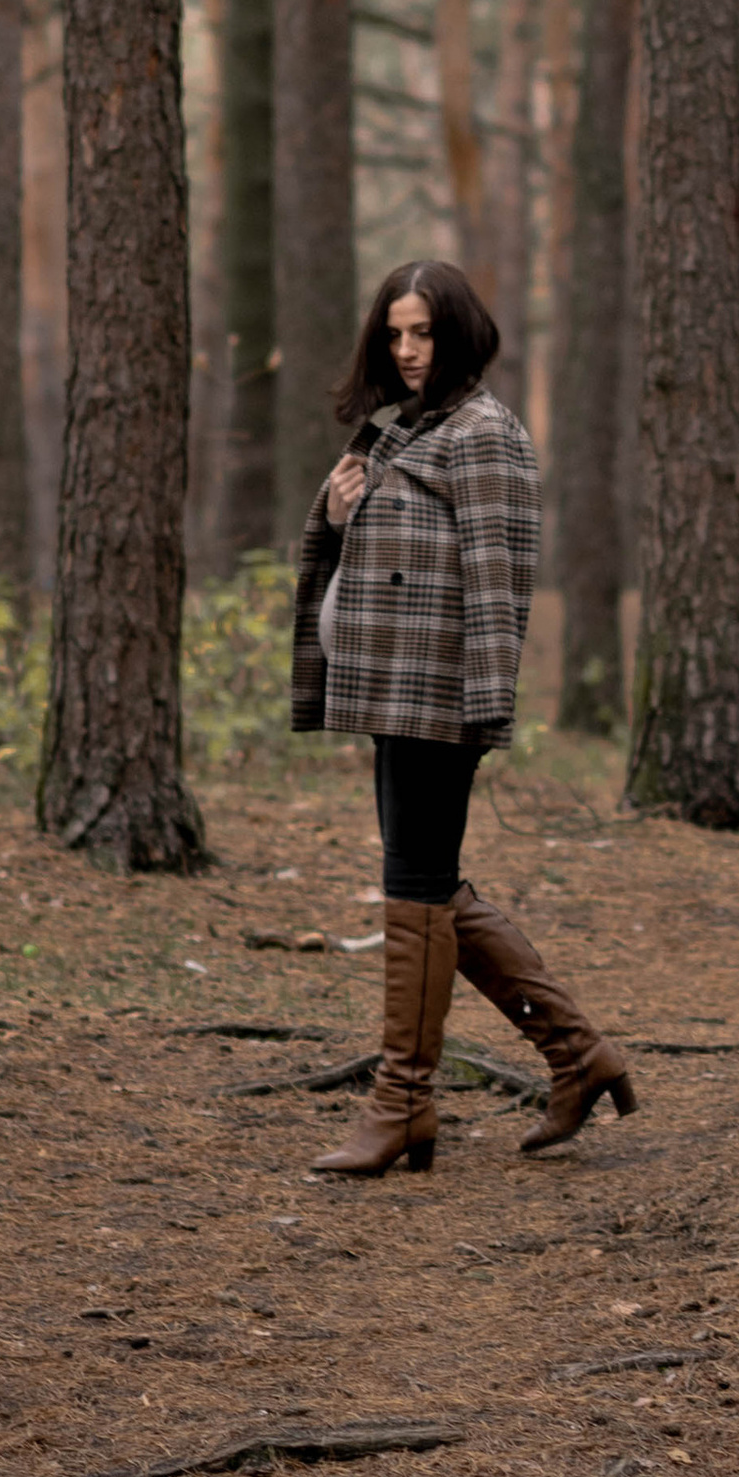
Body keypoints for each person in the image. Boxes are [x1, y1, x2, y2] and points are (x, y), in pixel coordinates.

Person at [290, 258, 638, 1178]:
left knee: (416, 887)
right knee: (429, 888)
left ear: (461, 333)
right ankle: (577, 1054)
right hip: (390, 690)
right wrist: (339, 514)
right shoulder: (403, 428)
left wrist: (484, 704)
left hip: (439, 698)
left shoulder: (485, 435)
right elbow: (383, 552)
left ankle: (403, 1102)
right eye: (395, 333)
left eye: (424, 332)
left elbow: (499, 576)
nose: (407, 350)